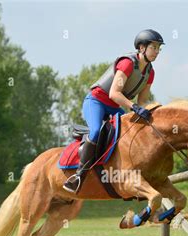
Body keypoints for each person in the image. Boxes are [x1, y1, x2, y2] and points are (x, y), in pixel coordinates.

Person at [63, 29, 165, 194]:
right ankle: (78, 176)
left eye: (159, 48)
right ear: (141, 48)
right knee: (96, 131)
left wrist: (152, 112)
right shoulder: (127, 63)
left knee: (129, 134)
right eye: (154, 47)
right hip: (96, 101)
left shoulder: (150, 72)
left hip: (114, 107)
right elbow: (114, 93)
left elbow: (142, 101)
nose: (157, 52)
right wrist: (134, 108)